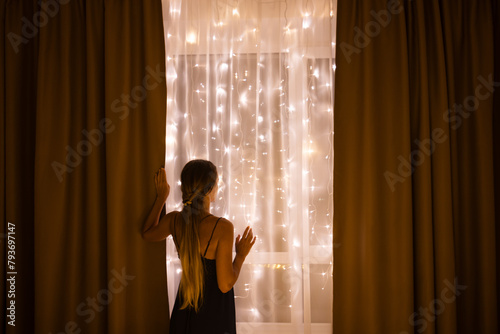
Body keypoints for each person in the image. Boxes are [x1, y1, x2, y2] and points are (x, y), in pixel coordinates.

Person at [142, 159, 256, 333]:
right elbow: (225, 284)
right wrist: (240, 256)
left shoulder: (174, 220)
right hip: (214, 318)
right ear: (209, 189)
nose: (218, 187)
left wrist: (161, 198)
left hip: (184, 313)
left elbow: (147, 233)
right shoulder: (222, 227)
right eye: (216, 183)